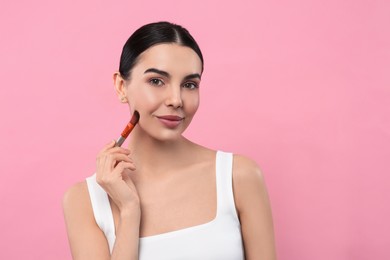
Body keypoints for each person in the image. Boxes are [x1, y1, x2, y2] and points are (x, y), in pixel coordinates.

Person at [63, 21, 276, 260]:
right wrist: (130, 211)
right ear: (122, 86)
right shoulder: (85, 200)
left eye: (189, 85)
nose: (176, 99)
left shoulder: (239, 176)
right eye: (156, 81)